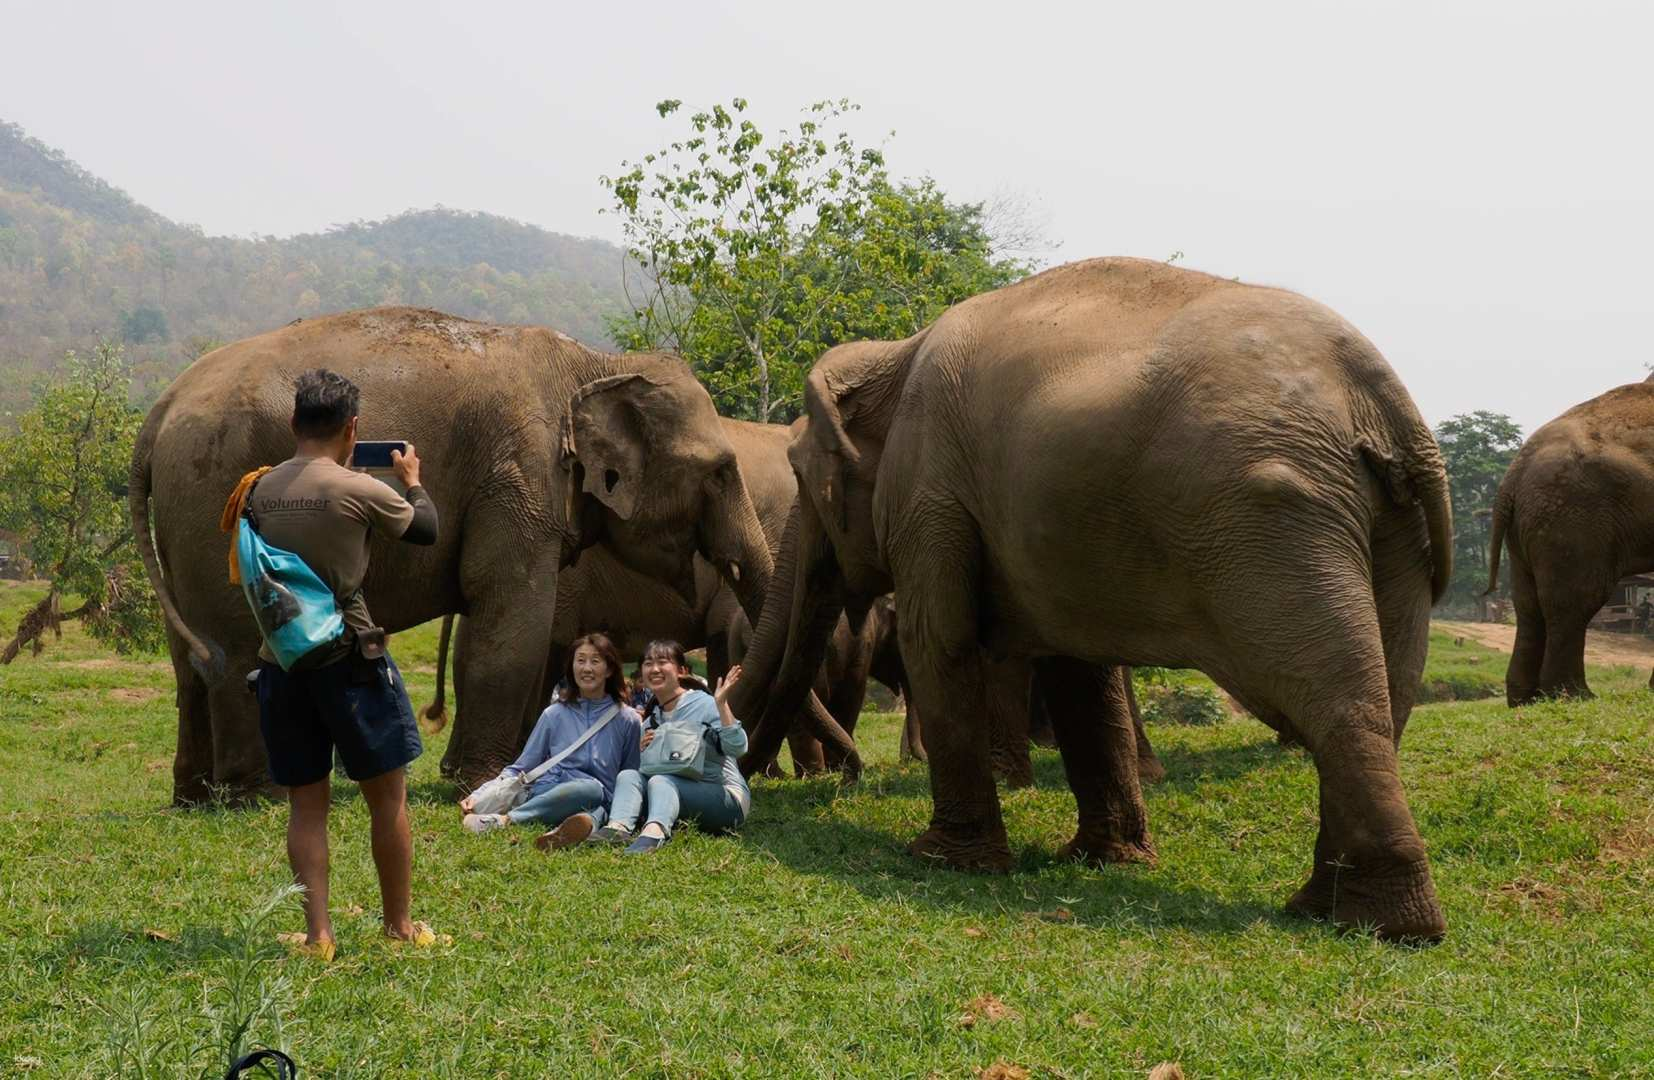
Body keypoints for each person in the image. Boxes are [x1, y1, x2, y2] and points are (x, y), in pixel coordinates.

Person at [248, 369, 439, 959]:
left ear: (293, 424)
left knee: (307, 803)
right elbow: (426, 530)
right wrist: (412, 482)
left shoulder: (258, 490)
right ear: (352, 428)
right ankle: (399, 926)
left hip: (281, 664)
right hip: (351, 660)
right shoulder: (358, 489)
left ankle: (318, 935)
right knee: (388, 797)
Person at [460, 632, 643, 849]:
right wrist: (479, 794)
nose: (586, 668)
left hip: (601, 796)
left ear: (610, 669)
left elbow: (629, 773)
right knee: (589, 793)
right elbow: (522, 766)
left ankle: (554, 828)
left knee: (596, 799)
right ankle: (513, 820)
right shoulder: (554, 714)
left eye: (595, 661)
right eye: (580, 660)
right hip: (551, 789)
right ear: (571, 667)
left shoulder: (628, 719)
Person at [589, 640, 751, 853]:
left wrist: (721, 705)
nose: (654, 669)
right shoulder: (650, 721)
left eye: (662, 662)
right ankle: (617, 828)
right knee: (628, 776)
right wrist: (643, 752)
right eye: (648, 663)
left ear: (682, 671)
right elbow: (647, 772)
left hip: (726, 799)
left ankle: (654, 833)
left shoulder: (704, 704)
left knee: (662, 781)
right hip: (672, 795)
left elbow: (738, 748)